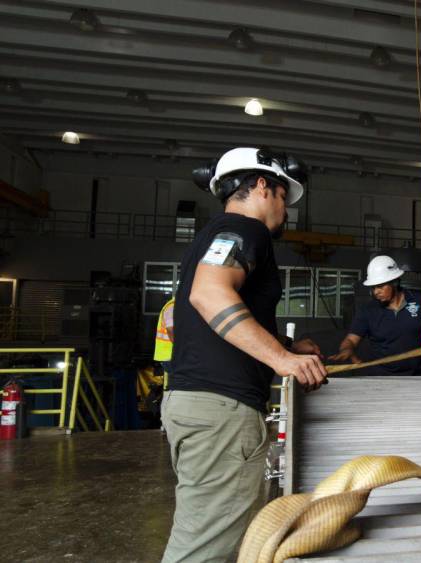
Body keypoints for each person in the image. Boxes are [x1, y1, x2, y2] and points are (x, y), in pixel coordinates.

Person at [161, 147, 329, 563]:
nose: (285, 213)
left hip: (192, 403)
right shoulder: (245, 229)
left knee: (201, 531)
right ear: (260, 186)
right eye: (282, 199)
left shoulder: (213, 234)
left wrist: (286, 347)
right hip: (222, 411)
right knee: (203, 551)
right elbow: (209, 294)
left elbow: (211, 321)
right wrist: (281, 360)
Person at [331, 256, 421, 375]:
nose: (376, 292)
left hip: (415, 376)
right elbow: (351, 339)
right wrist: (346, 349)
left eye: (380, 286)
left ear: (395, 282)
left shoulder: (419, 302)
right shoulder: (368, 311)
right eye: (373, 287)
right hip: (380, 377)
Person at [153, 296, 175, 388]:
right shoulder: (173, 306)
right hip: (170, 355)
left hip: (171, 355)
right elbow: (170, 329)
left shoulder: (176, 306)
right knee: (174, 386)